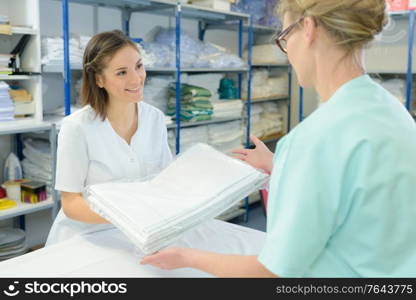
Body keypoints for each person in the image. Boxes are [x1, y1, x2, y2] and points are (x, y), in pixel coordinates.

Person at [141, 0, 416, 277]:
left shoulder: (315, 139)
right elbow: (362, 192)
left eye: (284, 36)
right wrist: (282, 165)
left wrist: (187, 256)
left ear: (308, 29)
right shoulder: (393, 112)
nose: (287, 52)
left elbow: (272, 272)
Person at [46, 30, 172, 246]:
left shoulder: (155, 119)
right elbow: (71, 203)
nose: (136, 78)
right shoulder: (77, 127)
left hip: (142, 233)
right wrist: (128, 216)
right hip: (87, 236)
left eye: (139, 66)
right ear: (99, 79)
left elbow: (165, 181)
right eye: (121, 72)